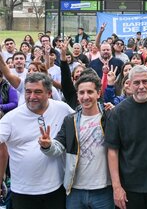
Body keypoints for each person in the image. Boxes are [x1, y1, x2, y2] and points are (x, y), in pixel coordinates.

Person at [39, 74, 114, 209]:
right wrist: (47, 146)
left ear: (98, 93)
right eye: (81, 92)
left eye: (90, 92)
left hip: (104, 190)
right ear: (77, 96)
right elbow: (58, 147)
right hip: (75, 190)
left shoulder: (109, 117)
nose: (85, 96)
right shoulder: (70, 120)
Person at [0, 73, 74, 209]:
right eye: (28, 92)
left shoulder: (62, 109)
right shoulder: (11, 119)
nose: (32, 97)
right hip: (23, 193)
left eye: (38, 92)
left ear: (49, 93)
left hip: (56, 190)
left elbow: (81, 123)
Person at [105, 65, 147, 209]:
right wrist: (116, 187)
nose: (141, 86)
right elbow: (112, 151)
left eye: (145, 82)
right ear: (128, 84)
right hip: (129, 188)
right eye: (136, 82)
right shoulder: (118, 112)